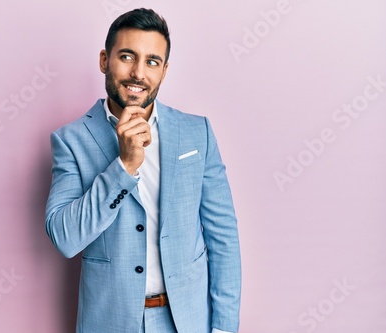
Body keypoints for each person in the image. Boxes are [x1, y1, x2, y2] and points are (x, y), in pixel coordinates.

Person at [45, 8, 241, 333]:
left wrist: (223, 328)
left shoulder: (197, 133)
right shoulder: (70, 141)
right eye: (127, 56)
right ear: (104, 60)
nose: (138, 73)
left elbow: (224, 239)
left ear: (164, 71)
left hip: (187, 321)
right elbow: (65, 238)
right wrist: (124, 167)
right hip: (110, 321)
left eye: (152, 62)